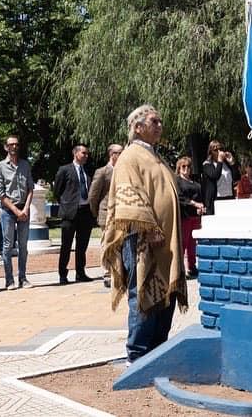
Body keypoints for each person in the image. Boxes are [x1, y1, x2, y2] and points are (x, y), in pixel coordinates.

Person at [101, 105, 188, 364]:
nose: (160, 125)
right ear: (138, 127)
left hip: (166, 241)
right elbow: (130, 196)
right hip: (142, 240)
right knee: (142, 293)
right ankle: (137, 356)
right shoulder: (130, 157)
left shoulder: (156, 157)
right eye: (154, 121)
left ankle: (157, 352)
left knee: (165, 295)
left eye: (160, 121)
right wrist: (148, 229)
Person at [0, 136, 34, 290]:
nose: (14, 147)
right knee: (8, 245)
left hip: (24, 209)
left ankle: (23, 278)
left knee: (23, 245)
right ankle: (9, 280)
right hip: (8, 211)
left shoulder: (25, 165)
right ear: (5, 147)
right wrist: (16, 210)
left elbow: (30, 188)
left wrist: (26, 209)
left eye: (16, 144)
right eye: (11, 145)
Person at [53, 145, 95, 285]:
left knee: (82, 245)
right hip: (70, 213)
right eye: (83, 153)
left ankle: (80, 272)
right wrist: (66, 204)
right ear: (75, 153)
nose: (86, 156)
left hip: (85, 212)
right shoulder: (64, 170)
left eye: (87, 154)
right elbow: (57, 191)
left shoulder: (87, 171)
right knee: (66, 245)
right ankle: (63, 274)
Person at [88, 144, 123, 288]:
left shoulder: (124, 171)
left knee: (119, 243)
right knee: (107, 243)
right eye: (119, 153)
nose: (122, 155)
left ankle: (119, 272)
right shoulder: (102, 172)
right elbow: (93, 196)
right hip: (106, 213)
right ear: (112, 154)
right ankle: (107, 273)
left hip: (121, 213)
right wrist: (98, 213)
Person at [176, 156, 205, 277]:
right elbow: (180, 197)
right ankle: (179, 270)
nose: (186, 169)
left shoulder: (196, 183)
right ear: (179, 168)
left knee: (193, 244)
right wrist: (194, 204)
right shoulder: (177, 181)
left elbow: (200, 197)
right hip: (185, 215)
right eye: (183, 166)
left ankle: (192, 267)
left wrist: (200, 207)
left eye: (188, 166)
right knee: (183, 243)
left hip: (195, 216)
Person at [202, 140, 240, 215]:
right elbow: (215, 176)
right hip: (216, 199)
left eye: (221, 149)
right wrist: (219, 161)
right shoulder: (207, 164)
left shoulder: (226, 163)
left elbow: (237, 177)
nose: (219, 151)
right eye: (215, 150)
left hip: (229, 197)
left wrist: (232, 163)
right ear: (211, 152)